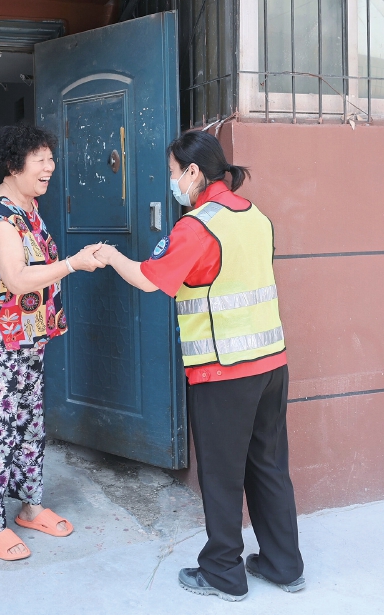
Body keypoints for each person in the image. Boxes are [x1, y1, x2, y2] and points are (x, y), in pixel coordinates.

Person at [93, 130, 305, 600]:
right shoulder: (256, 217)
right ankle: (283, 565)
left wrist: (110, 257)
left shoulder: (198, 225)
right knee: (268, 466)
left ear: (193, 172)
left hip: (223, 370)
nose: (171, 182)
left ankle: (223, 574)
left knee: (221, 474)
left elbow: (152, 280)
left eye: (172, 173)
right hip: (271, 364)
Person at [0, 123, 104, 561]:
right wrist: (73, 264)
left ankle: (30, 507)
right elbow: (18, 280)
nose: (49, 167)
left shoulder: (29, 207)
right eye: (39, 159)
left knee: (26, 424)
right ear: (13, 164)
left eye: (50, 158)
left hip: (27, 337)